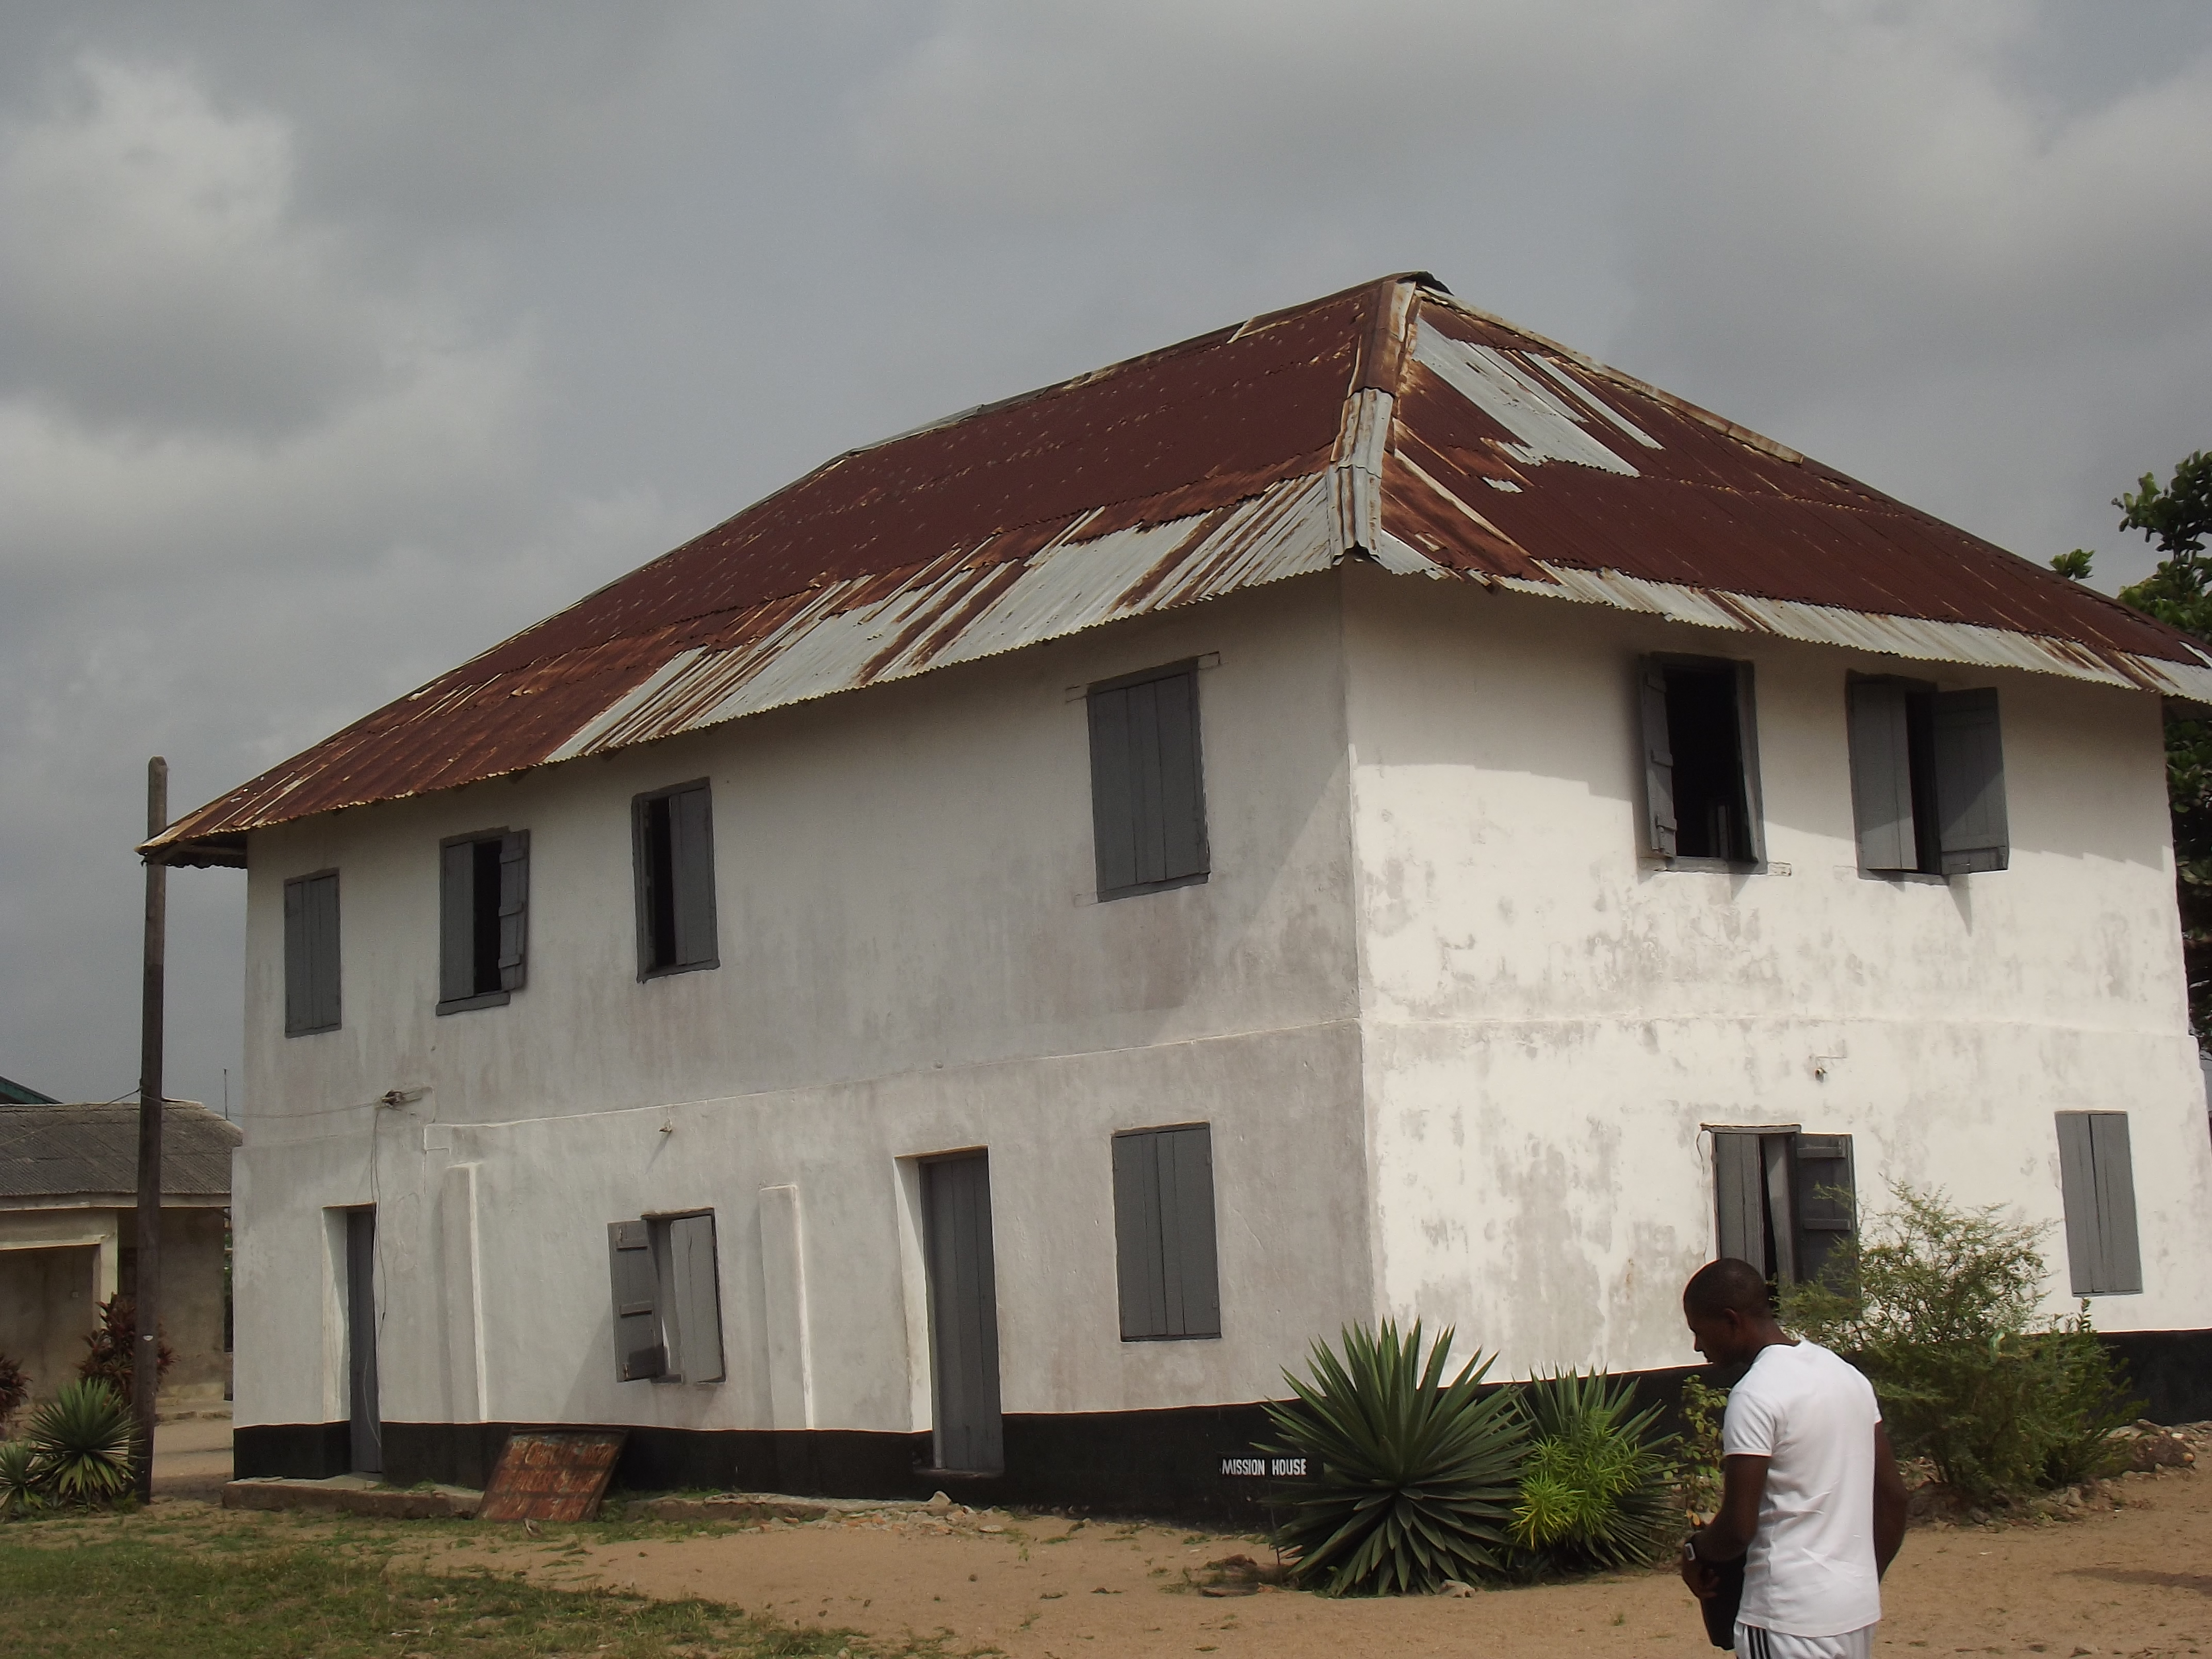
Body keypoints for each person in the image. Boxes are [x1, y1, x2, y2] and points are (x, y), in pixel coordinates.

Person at [1679, 1257, 1909, 1658]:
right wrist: (1857, 1583)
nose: (1698, 1346)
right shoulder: (1847, 1376)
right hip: (1854, 1614)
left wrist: (1694, 1552)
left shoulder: (1755, 1394)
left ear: (1731, 1320)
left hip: (1785, 1619)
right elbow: (1895, 1499)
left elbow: (1738, 1528)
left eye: (1699, 1331)